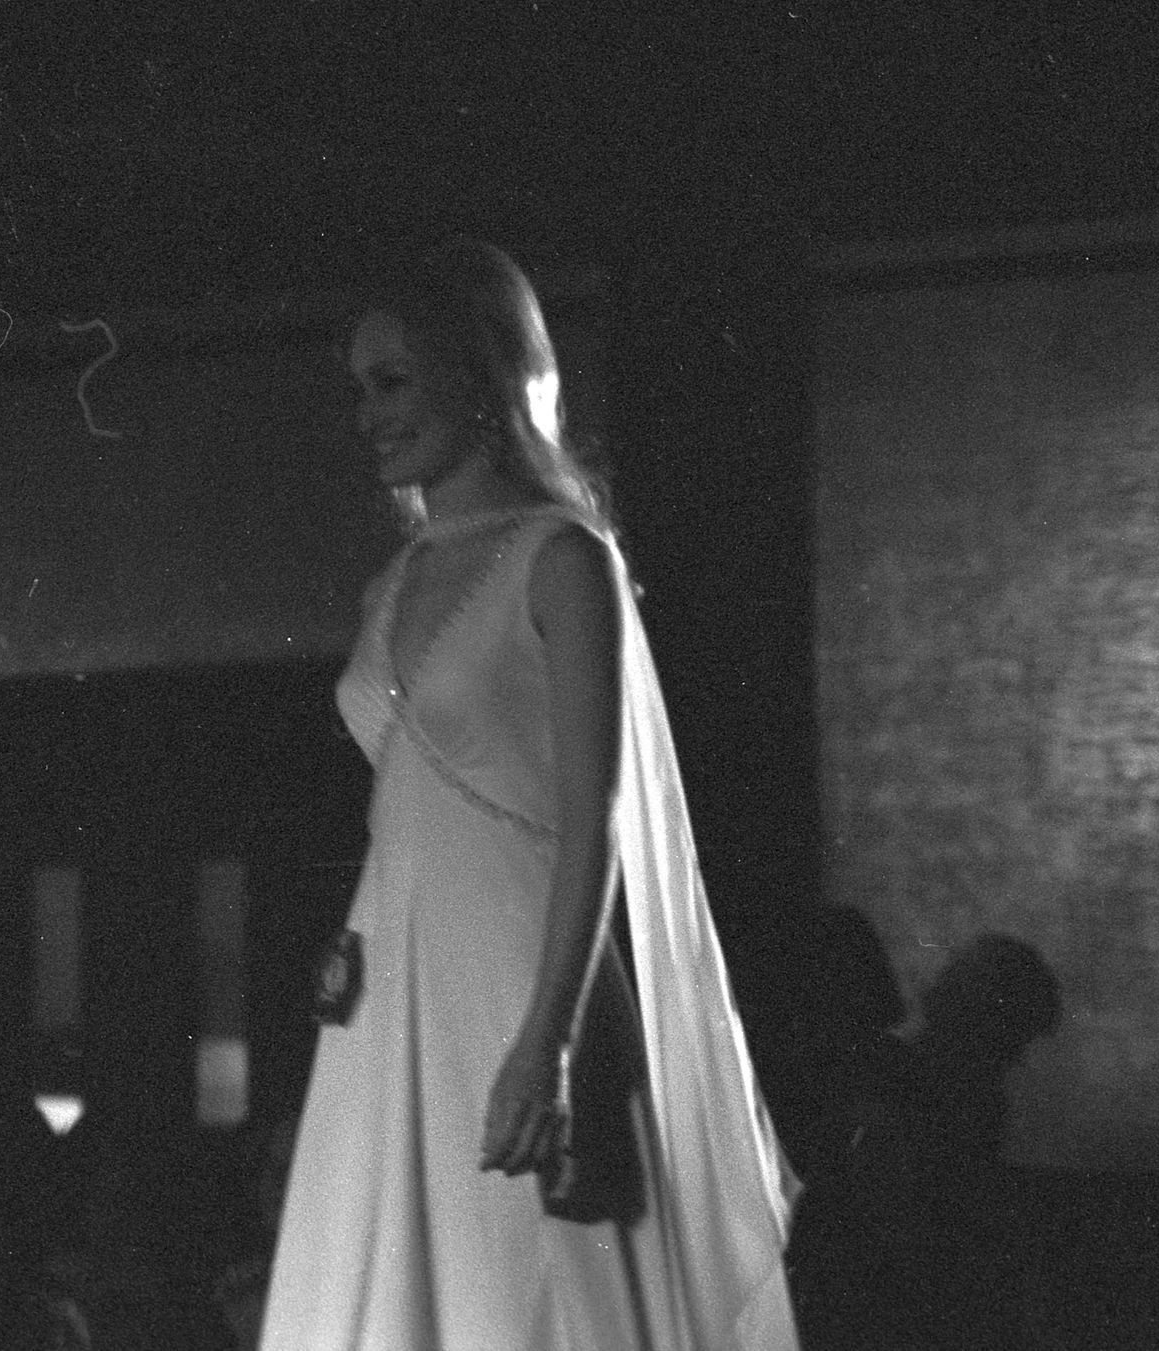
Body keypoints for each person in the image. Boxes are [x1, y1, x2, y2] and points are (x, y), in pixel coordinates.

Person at [257, 241, 800, 1350]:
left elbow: (597, 822)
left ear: (479, 373)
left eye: (394, 381)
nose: (369, 415)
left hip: (521, 983)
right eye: (360, 388)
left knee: (526, 1296)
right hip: (390, 994)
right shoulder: (391, 584)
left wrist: (546, 1042)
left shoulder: (563, 561)